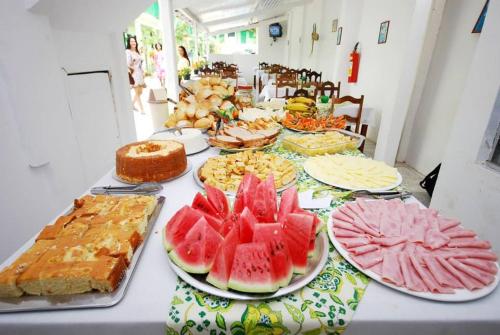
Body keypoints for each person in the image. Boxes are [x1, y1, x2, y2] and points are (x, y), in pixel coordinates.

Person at [126, 36, 145, 114]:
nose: (133, 43)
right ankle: (142, 110)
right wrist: (133, 62)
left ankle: (131, 105)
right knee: (137, 92)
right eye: (131, 41)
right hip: (134, 73)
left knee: (140, 92)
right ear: (129, 43)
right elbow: (128, 64)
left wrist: (143, 72)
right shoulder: (128, 51)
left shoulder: (137, 52)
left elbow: (140, 63)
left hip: (140, 73)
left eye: (134, 41)